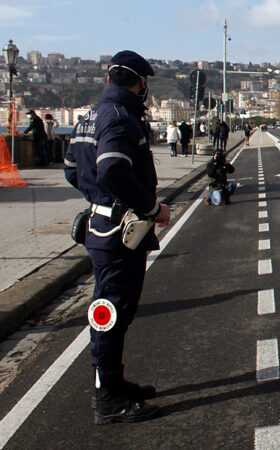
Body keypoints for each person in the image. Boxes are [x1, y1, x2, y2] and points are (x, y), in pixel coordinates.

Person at [63, 50, 170, 425]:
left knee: (113, 308)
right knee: (111, 311)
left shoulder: (88, 117)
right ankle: (107, 397)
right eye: (145, 84)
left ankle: (113, 380)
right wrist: (150, 207)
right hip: (118, 231)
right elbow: (111, 169)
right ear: (139, 82)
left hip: (99, 225)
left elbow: (73, 172)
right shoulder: (122, 118)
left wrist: (97, 200)